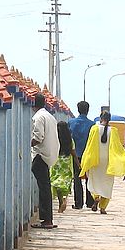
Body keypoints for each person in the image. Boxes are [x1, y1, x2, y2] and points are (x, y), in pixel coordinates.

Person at [79, 110, 125, 214]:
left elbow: (89, 146)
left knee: (94, 181)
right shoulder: (114, 131)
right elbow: (117, 147)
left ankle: (96, 197)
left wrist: (86, 159)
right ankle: (103, 207)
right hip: (108, 161)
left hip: (95, 160)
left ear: (100, 118)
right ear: (109, 119)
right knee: (107, 184)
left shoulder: (94, 129)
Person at [30, 92, 60, 228]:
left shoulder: (38, 117)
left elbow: (38, 137)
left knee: (43, 188)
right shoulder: (49, 116)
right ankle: (47, 218)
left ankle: (47, 219)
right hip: (49, 155)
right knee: (45, 187)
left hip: (40, 155)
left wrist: (27, 143)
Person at [67, 101, 95, 209]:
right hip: (88, 155)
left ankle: (78, 203)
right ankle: (90, 201)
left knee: (77, 178)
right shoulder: (92, 125)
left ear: (78, 110)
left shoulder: (71, 122)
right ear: (88, 110)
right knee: (89, 178)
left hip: (75, 154)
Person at [50, 121, 77, 213]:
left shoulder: (55, 139)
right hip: (66, 164)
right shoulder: (70, 140)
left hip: (56, 163)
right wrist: (78, 164)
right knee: (65, 183)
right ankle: (65, 198)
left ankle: (60, 200)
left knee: (56, 183)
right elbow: (73, 153)